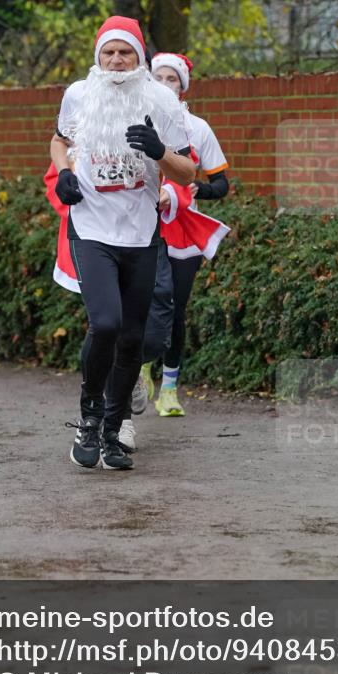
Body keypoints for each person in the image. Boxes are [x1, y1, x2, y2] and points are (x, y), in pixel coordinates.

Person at [51, 16, 195, 471]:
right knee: (106, 323)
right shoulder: (79, 93)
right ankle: (89, 418)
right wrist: (65, 174)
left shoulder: (161, 100)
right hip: (91, 228)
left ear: (139, 57)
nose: (116, 60)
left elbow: (188, 172)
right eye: (109, 52)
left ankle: (114, 432)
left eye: (125, 52)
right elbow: (59, 141)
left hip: (139, 232)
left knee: (133, 336)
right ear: (98, 56)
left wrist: (159, 151)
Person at [146, 52, 230, 417]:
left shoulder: (197, 128)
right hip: (144, 227)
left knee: (175, 309)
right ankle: (140, 370)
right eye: (159, 77)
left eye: (172, 79)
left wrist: (199, 189)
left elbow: (221, 183)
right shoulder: (134, 119)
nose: (165, 84)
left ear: (182, 87)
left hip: (183, 230)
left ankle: (169, 389)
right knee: (144, 303)